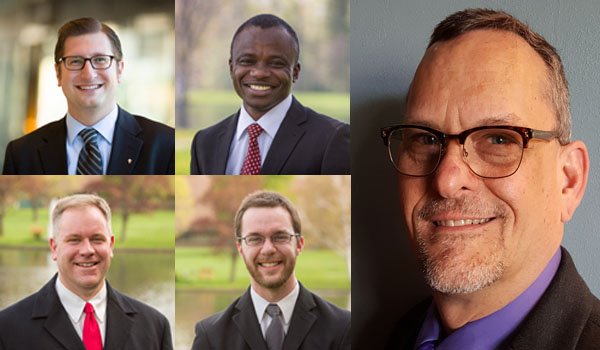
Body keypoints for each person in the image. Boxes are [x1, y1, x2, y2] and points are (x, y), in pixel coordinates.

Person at [380, 8, 598, 349]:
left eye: (499, 139)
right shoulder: (390, 334)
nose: (446, 181)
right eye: (425, 138)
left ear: (568, 180)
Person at [2, 17, 174, 175]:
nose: (88, 74)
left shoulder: (165, 145)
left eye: (100, 60)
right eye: (75, 61)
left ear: (119, 70)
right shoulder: (21, 154)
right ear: (58, 74)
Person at [0, 194, 172, 349]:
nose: (87, 250)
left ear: (111, 245)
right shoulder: (7, 328)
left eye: (97, 239)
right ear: (54, 248)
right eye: (74, 240)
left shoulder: (154, 327)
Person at [190, 14, 350, 175]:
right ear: (232, 67)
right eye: (247, 61)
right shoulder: (204, 143)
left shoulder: (332, 139)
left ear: (295, 72)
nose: (260, 73)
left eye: (276, 63)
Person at [192, 191, 350, 349]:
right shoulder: (211, 336)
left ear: (299, 244)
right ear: (240, 248)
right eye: (255, 239)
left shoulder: (344, 328)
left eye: (280, 236)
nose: (268, 249)